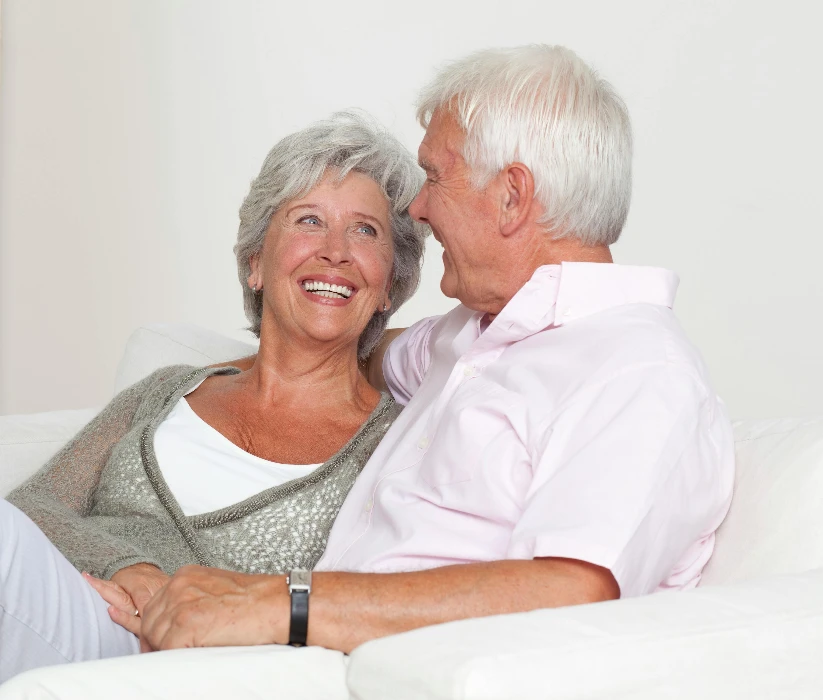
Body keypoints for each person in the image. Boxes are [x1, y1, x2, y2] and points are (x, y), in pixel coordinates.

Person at [128, 44, 735, 656]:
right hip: (296, 656)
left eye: (435, 177)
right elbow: (360, 347)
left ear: (512, 197)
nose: (417, 208)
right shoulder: (477, 334)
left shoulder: (638, 372)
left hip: (382, 669)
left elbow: (572, 591)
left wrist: (283, 603)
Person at [0, 112, 427, 681]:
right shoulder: (167, 389)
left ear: (388, 286)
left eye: (365, 231)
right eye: (308, 221)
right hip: (70, 616)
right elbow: (35, 506)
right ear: (256, 262)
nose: (336, 251)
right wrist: (131, 568)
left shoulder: (397, 441)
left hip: (194, 670)